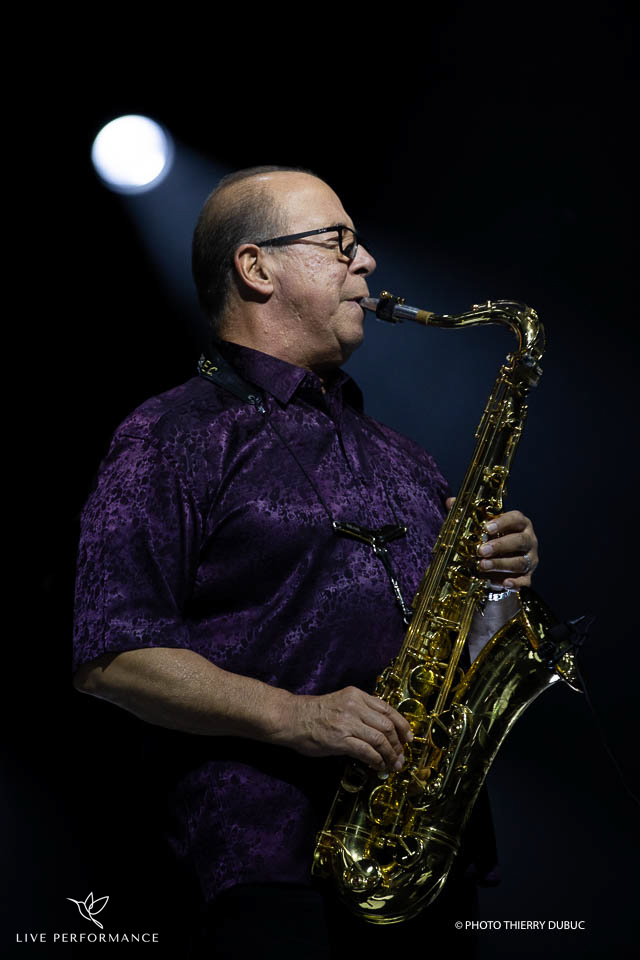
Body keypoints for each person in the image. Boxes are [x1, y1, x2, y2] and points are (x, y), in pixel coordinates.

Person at [72, 166, 539, 958]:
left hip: (425, 862)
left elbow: (468, 659)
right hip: (269, 871)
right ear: (257, 268)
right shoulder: (170, 435)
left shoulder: (403, 455)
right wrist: (299, 717)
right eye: (339, 242)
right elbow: (109, 653)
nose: (368, 262)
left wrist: (499, 588)